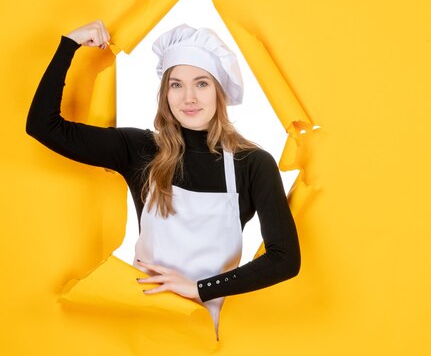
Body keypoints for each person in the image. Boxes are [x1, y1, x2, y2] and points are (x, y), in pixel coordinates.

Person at [26, 20, 301, 337]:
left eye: (201, 83)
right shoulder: (140, 149)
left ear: (219, 91)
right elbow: (43, 126)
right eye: (176, 84)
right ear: (165, 93)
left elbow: (285, 259)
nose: (189, 98)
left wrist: (200, 288)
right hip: (138, 326)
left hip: (203, 333)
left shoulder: (252, 164)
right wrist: (70, 43)